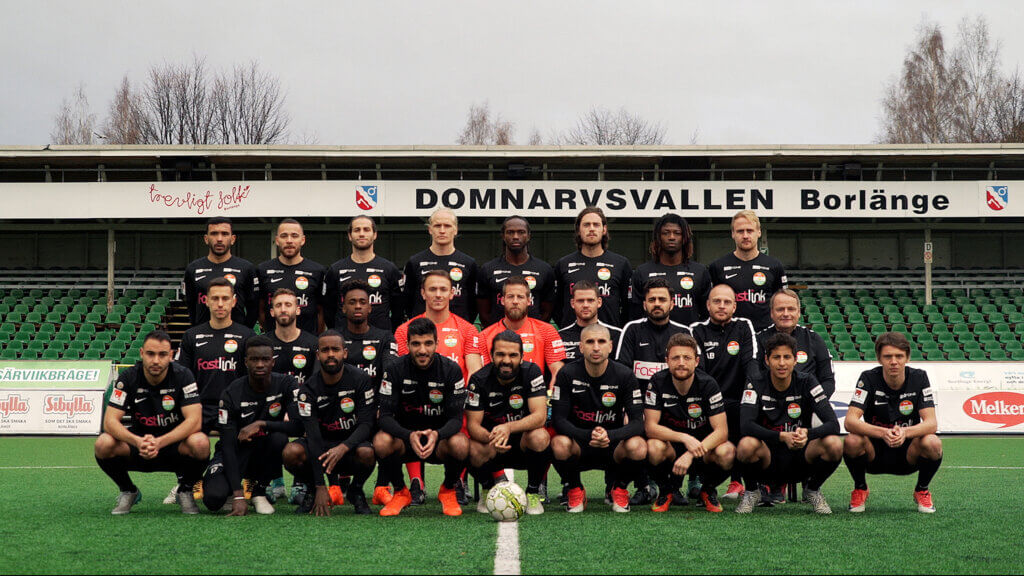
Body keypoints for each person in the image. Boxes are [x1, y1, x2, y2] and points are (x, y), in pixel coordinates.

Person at [95, 330, 209, 515]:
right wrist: (137, 441)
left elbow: (194, 421)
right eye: (150, 354)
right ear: (141, 353)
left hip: (172, 446)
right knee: (103, 443)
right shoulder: (128, 377)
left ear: (171, 355)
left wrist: (160, 442)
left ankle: (185, 490)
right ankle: (128, 490)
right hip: (139, 445)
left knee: (201, 442)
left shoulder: (183, 375)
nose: (156, 360)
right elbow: (109, 421)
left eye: (162, 354)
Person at [393, 269, 481, 504]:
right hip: (416, 400)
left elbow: (474, 370)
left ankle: (456, 483)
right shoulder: (404, 330)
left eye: (444, 289)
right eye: (432, 289)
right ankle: (415, 483)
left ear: (453, 293)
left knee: (465, 412)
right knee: (406, 411)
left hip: (452, 401)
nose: (438, 294)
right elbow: (402, 370)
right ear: (423, 293)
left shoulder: (468, 329)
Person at [735, 333, 842, 514]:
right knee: (746, 445)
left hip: (800, 455)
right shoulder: (755, 382)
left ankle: (812, 490)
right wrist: (781, 436)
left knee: (834, 444)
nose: (782, 363)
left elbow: (833, 424)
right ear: (767, 360)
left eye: (787, 357)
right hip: (767, 459)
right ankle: (752, 491)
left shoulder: (808, 381)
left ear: (795, 360)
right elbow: (746, 425)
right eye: (776, 357)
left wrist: (808, 434)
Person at [373, 318, 470, 517]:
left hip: (438, 441)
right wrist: (408, 435)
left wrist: (437, 434)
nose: (422, 350)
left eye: (428, 343)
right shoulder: (394, 370)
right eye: (416, 344)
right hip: (405, 440)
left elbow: (456, 420)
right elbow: (384, 417)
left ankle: (448, 490)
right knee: (381, 441)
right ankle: (401, 492)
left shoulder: (451, 370)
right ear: (407, 345)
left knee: (460, 443)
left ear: (436, 343)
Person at [171, 277, 254, 504]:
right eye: (215, 298)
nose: (220, 304)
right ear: (206, 301)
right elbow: (182, 377)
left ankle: (248, 479)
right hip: (200, 407)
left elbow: (251, 380)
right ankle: (189, 480)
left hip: (235, 409)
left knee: (256, 434)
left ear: (234, 302)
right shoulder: (192, 336)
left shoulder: (247, 336)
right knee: (178, 432)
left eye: (225, 298)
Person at [550, 324, 647, 513]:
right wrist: (587, 435)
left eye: (601, 342)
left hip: (612, 445)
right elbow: (558, 420)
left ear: (610, 346)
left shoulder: (625, 375)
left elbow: (638, 422)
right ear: (581, 347)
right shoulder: (567, 374)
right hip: (580, 443)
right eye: (590, 342)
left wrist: (610, 435)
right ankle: (575, 488)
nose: (596, 347)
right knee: (558, 444)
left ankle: (618, 488)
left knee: (639, 446)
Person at [843, 332, 942, 514]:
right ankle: (860, 488)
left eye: (899, 356)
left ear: (907, 358)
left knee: (933, 442)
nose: (894, 361)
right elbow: (850, 420)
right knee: (852, 440)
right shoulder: (868, 378)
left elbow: (931, 424)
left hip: (907, 454)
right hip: (874, 454)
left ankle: (922, 489)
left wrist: (905, 433)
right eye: (888, 356)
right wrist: (882, 432)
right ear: (880, 359)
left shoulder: (919, 378)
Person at [201, 336, 299, 515]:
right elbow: (228, 446)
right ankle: (234, 490)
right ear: (246, 362)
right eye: (254, 359)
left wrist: (261, 424)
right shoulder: (231, 393)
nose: (260, 364)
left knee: (279, 438)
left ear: (273, 362)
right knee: (213, 500)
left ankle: (258, 491)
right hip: (235, 453)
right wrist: (238, 496)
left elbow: (298, 427)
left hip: (264, 452)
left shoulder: (287, 384)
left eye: (265, 359)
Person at [283, 331, 378, 516]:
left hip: (349, 446)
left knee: (367, 452)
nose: (331, 354)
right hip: (320, 448)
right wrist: (320, 485)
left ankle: (356, 490)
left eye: (335, 349)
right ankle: (311, 490)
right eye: (325, 350)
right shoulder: (307, 390)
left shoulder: (361, 380)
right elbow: (313, 436)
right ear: (318, 355)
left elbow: (367, 424)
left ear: (345, 353)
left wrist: (343, 447)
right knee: (291, 452)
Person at [645, 333, 734, 513]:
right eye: (675, 358)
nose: (681, 363)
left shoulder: (709, 384)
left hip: (702, 449)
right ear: (667, 361)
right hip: (671, 448)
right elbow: (650, 427)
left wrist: (691, 454)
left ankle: (707, 490)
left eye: (687, 358)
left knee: (727, 451)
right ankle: (666, 490)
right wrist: (684, 437)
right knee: (652, 447)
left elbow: (722, 431)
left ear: (696, 361)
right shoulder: (657, 381)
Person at [466, 331, 550, 515]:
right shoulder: (478, 380)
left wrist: (508, 428)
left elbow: (540, 416)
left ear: (521, 357)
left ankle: (533, 493)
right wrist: (492, 437)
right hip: (492, 444)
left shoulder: (532, 372)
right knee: (469, 447)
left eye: (513, 355)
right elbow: (473, 426)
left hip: (523, 444)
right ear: (491, 355)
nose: (506, 360)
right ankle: (488, 489)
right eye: (500, 354)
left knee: (540, 436)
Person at [690, 284, 760, 500]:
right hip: (706, 404)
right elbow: (698, 372)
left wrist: (750, 395)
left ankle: (744, 484)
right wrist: (713, 400)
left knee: (746, 413)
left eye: (727, 302)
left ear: (734, 306)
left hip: (737, 402)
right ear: (708, 305)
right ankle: (687, 482)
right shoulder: (695, 330)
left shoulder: (744, 326)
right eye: (717, 301)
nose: (722, 306)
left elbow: (751, 365)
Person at [337, 279, 399, 506]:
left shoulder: (385, 337)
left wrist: (382, 406)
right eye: (352, 302)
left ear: (370, 307)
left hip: (374, 408)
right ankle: (335, 485)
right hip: (342, 408)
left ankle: (382, 487)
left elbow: (390, 374)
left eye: (363, 302)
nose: (357, 306)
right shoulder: (335, 337)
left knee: (389, 426)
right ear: (343, 307)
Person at [553, 207, 632, 328]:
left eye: (596, 225)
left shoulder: (621, 264)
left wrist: (615, 330)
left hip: (608, 339)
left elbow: (628, 306)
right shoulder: (563, 264)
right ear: (579, 230)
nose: (591, 229)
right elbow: (556, 307)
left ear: (604, 229)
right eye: (586, 225)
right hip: (573, 339)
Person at [708, 210, 787, 332]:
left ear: (759, 232)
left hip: (766, 334)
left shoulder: (774, 266)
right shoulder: (717, 267)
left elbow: (782, 302)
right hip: (729, 334)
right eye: (740, 231)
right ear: (733, 234)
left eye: (749, 231)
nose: (745, 236)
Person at [479, 276, 566, 384]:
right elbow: (484, 375)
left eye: (520, 297)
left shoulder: (546, 330)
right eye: (510, 297)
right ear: (502, 300)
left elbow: (557, 371)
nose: (515, 301)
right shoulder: (485, 335)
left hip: (535, 393)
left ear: (529, 301)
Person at [325, 215, 404, 332]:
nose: (362, 234)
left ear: (375, 234)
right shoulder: (336, 269)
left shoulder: (389, 268)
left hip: (381, 340)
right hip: (344, 340)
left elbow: (399, 309)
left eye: (366, 230)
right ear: (349, 236)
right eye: (357, 230)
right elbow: (328, 310)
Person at [630, 214, 711, 326]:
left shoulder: (700, 271)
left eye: (677, 233)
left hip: (689, 339)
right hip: (651, 340)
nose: (671, 237)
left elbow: (706, 315)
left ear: (684, 237)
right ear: (658, 237)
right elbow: (635, 315)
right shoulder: (642, 272)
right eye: (666, 233)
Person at [476, 216, 555, 326]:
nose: (516, 236)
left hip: (533, 337)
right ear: (503, 236)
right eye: (510, 232)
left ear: (528, 236)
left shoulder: (544, 269)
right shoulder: (488, 269)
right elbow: (484, 313)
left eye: (521, 232)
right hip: (498, 338)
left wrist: (534, 330)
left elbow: (547, 312)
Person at [756, 289, 835, 398]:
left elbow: (828, 381)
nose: (786, 314)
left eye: (791, 309)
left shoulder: (814, 339)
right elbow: (753, 379)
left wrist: (813, 402)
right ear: (772, 313)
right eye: (780, 309)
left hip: (807, 406)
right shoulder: (758, 341)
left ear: (798, 312)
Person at [403, 207, 477, 322]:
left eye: (447, 226)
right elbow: (407, 301)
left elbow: (473, 303)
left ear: (456, 229)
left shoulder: (468, 263)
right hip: (423, 330)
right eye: (437, 226)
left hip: (458, 331)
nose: (442, 230)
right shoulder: (415, 262)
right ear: (430, 229)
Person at [183, 216, 259, 328]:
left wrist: (244, 332)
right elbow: (190, 306)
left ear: (233, 239)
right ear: (206, 239)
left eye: (224, 234)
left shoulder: (247, 268)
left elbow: (253, 307)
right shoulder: (193, 269)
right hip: (203, 335)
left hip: (236, 338)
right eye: (214, 234)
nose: (219, 239)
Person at [257, 218, 327, 334]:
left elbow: (321, 311)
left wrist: (315, 339)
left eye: (294, 236)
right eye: (284, 236)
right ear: (277, 240)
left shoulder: (318, 271)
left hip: (308, 343)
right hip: (274, 342)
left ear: (303, 240)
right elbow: (261, 311)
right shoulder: (263, 270)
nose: (289, 241)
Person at [557, 280, 621, 362]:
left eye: (590, 300)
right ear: (572, 303)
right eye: (580, 301)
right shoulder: (560, 337)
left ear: (599, 302)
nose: (585, 305)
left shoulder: (617, 335)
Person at [266, 289, 319, 385]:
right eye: (278, 305)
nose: (283, 310)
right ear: (272, 312)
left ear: (298, 310)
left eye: (288, 305)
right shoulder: (264, 344)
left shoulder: (313, 344)